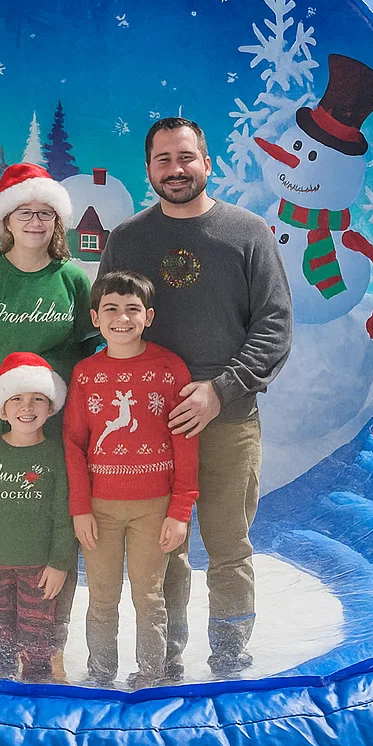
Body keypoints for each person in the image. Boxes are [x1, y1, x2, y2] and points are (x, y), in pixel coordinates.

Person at [98, 118, 293, 678]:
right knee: (166, 549)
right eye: (162, 159)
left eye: (186, 158)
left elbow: (274, 326)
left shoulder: (247, 232)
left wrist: (221, 389)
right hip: (148, 428)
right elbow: (112, 320)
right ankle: (167, 656)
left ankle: (231, 657)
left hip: (228, 420)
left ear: (207, 164)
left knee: (229, 544)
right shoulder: (129, 239)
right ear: (148, 169)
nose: (175, 169)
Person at [0, 161, 99, 675]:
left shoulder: (74, 281)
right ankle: (4, 648)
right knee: (7, 535)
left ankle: (50, 653)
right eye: (24, 213)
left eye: (44, 213)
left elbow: (90, 358)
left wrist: (85, 431)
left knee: (58, 537)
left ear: (57, 222)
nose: (35, 222)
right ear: (4, 221)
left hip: (59, 433)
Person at [64, 270, 199, 688]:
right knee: (102, 598)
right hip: (99, 511)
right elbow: (73, 443)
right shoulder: (86, 374)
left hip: (154, 509)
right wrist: (81, 508)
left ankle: (151, 677)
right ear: (96, 318)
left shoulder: (169, 368)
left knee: (150, 597)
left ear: (149, 316)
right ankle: (101, 675)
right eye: (111, 310)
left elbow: (185, 443)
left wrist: (179, 510)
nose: (122, 318)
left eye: (132, 310)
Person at [0, 352, 76, 681]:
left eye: (36, 399)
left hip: (40, 570)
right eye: (17, 399)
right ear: (2, 407)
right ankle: (0, 689)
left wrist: (59, 563)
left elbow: (63, 514)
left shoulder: (56, 454)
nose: (27, 408)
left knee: (37, 640)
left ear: (51, 406)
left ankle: (37, 693)